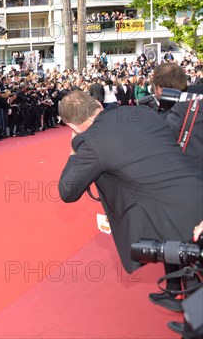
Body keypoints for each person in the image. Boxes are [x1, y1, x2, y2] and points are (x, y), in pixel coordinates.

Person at [58, 90, 203, 275]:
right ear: (99, 105)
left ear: (72, 126)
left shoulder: (92, 143)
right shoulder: (141, 112)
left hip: (178, 218)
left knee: (196, 292)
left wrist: (73, 152)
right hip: (196, 187)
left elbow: (67, 191)